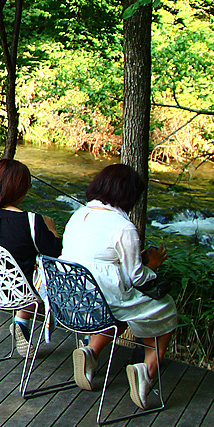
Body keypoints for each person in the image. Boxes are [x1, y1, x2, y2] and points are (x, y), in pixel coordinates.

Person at [60, 163, 178, 410]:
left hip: (71, 300)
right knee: (166, 307)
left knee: (117, 308)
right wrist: (152, 264)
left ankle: (91, 353)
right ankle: (146, 370)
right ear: (129, 196)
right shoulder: (124, 227)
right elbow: (136, 278)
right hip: (103, 302)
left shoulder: (78, 215)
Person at [0, 158, 61, 355]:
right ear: (19, 188)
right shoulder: (31, 221)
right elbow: (57, 254)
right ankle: (22, 322)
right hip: (23, 293)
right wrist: (52, 229)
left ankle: (21, 324)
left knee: (26, 270)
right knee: (48, 271)